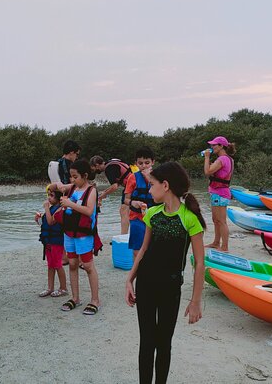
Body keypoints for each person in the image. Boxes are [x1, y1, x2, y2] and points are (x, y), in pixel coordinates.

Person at [125, 161, 206, 384]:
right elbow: (143, 249)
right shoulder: (152, 213)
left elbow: (199, 263)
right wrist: (130, 279)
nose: (150, 190)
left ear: (166, 185)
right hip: (146, 283)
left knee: (163, 343)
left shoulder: (190, 218)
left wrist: (195, 301)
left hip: (170, 287)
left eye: (152, 185)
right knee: (146, 341)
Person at [49, 159, 101, 315]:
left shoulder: (91, 191)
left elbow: (88, 210)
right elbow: (55, 187)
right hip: (69, 233)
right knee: (72, 263)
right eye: (71, 176)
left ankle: (95, 300)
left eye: (75, 176)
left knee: (88, 266)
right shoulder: (71, 188)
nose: (72, 180)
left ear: (85, 176)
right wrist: (55, 186)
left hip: (84, 235)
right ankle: (75, 298)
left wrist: (69, 204)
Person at [203, 136, 236, 252]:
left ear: (221, 146)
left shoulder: (222, 159)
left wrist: (206, 158)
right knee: (215, 219)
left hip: (220, 193)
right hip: (218, 192)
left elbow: (207, 171)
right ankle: (216, 243)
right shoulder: (227, 159)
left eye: (214, 145)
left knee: (221, 220)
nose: (212, 147)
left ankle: (224, 246)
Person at [34, 188, 68, 298]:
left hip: (57, 241)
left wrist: (46, 208)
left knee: (58, 264)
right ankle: (50, 288)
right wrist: (38, 220)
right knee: (50, 265)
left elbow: (51, 221)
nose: (49, 197)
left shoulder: (59, 209)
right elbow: (45, 224)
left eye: (52, 195)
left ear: (58, 198)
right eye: (48, 195)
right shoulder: (52, 208)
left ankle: (63, 288)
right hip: (48, 241)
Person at [123, 147, 156, 259]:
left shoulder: (159, 177)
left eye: (147, 163)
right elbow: (125, 199)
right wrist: (133, 202)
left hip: (154, 218)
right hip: (136, 218)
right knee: (137, 251)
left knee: (153, 250)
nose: (144, 166)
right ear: (136, 164)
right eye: (140, 163)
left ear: (153, 162)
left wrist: (149, 177)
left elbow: (164, 197)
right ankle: (138, 274)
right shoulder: (132, 177)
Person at [89, 156, 133, 234]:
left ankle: (123, 236)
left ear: (97, 165)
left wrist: (102, 196)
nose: (95, 171)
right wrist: (104, 192)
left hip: (131, 187)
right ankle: (126, 234)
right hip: (132, 185)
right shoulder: (112, 163)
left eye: (93, 169)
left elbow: (114, 187)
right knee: (126, 211)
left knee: (124, 211)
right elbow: (117, 183)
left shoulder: (109, 169)